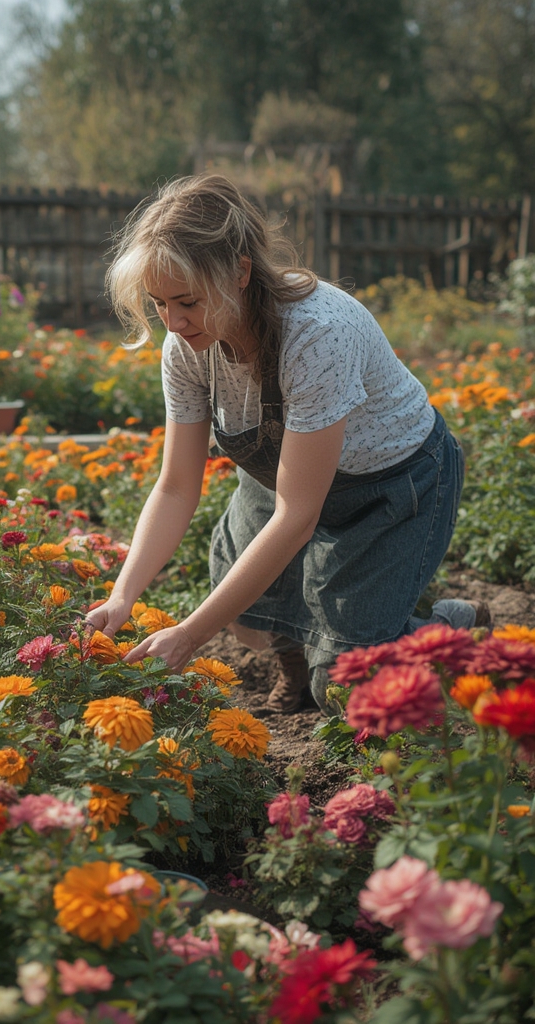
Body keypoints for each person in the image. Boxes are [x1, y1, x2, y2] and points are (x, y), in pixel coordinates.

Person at [85, 174, 488, 713]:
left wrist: (188, 635)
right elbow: (176, 487)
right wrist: (121, 596)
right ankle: (298, 660)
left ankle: (445, 628)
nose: (173, 322)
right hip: (284, 478)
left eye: (187, 301)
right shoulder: (186, 348)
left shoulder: (315, 333)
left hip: (392, 488)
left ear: (240, 272)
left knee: (345, 688)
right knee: (246, 618)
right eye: (158, 303)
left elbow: (297, 515)